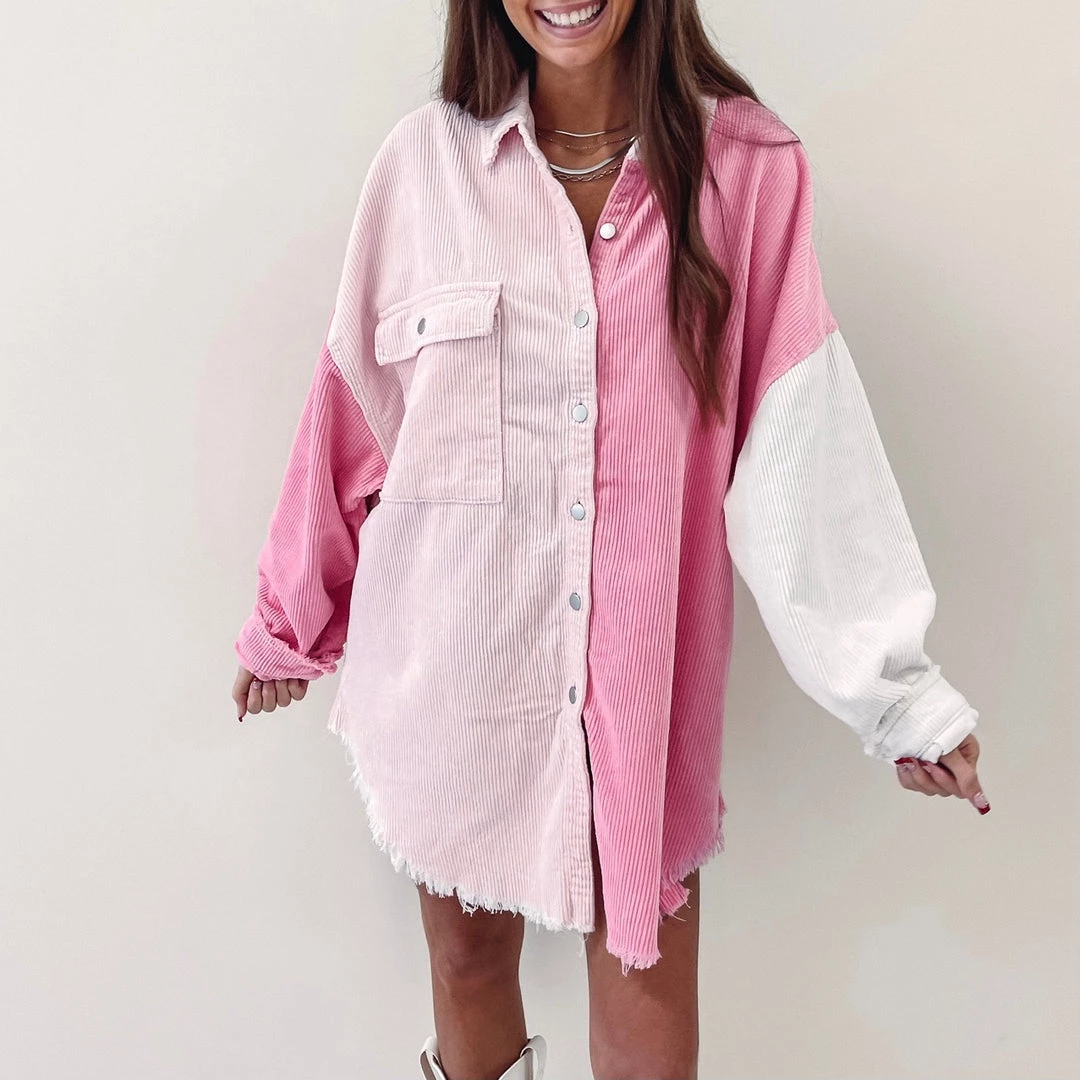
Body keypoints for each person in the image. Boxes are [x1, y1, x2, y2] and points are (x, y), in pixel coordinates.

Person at [230, 2, 991, 1078]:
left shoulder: (747, 171)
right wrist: (289, 617)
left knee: (646, 996)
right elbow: (354, 414)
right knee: (466, 966)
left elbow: (802, 443)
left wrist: (899, 697)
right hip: (455, 669)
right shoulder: (423, 166)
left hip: (642, 685)